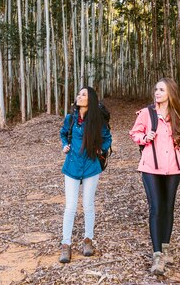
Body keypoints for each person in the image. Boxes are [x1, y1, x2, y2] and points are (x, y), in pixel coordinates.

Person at [129, 77, 180, 275]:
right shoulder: (147, 113)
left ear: (170, 93)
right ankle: (157, 255)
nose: (157, 93)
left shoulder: (179, 115)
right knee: (155, 207)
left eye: (161, 90)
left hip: (173, 168)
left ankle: (166, 247)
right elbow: (134, 133)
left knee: (168, 207)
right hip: (150, 167)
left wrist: (179, 141)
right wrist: (144, 138)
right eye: (156, 89)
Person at [58, 87, 112, 263]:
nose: (79, 97)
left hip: (90, 166)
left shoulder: (97, 121)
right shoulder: (71, 118)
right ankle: (66, 244)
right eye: (79, 94)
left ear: (91, 99)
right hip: (72, 166)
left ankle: (88, 240)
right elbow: (63, 134)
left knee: (88, 205)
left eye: (84, 95)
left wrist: (101, 148)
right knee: (70, 206)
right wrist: (65, 145)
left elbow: (107, 138)